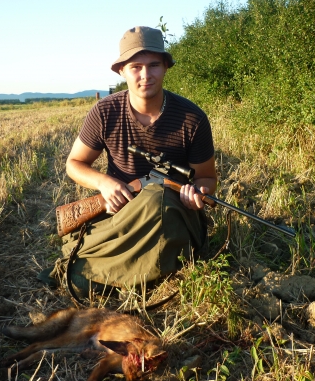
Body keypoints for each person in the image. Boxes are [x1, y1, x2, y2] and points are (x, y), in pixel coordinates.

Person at [59, 26, 217, 294]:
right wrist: (105, 183)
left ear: (166, 67)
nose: (146, 75)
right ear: (121, 70)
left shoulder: (193, 118)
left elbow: (207, 179)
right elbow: (74, 164)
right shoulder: (104, 111)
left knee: (158, 201)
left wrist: (196, 194)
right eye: (135, 67)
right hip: (122, 211)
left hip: (173, 212)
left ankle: (110, 272)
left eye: (154, 65)